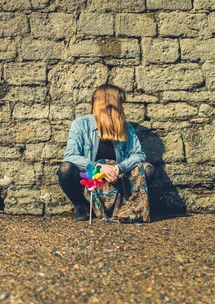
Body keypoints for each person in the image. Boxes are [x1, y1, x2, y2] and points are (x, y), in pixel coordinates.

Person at [58, 84, 154, 222]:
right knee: (65, 169)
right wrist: (98, 167)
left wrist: (120, 168)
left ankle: (125, 207)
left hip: (118, 181)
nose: (122, 108)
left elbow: (139, 154)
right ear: (111, 106)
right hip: (90, 179)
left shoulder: (126, 127)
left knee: (148, 170)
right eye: (120, 103)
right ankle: (82, 205)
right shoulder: (80, 124)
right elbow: (70, 156)